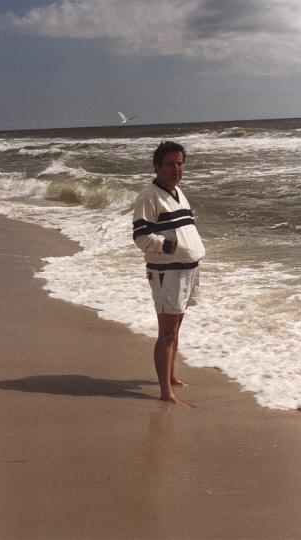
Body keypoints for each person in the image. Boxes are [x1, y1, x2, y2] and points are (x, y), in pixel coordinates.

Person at [133, 141, 205, 406]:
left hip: (188, 270)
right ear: (157, 166)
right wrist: (169, 246)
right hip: (167, 272)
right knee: (167, 333)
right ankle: (165, 392)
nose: (177, 168)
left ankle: (171, 376)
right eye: (171, 163)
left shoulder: (177, 192)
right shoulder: (149, 195)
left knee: (176, 330)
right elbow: (141, 236)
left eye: (180, 162)